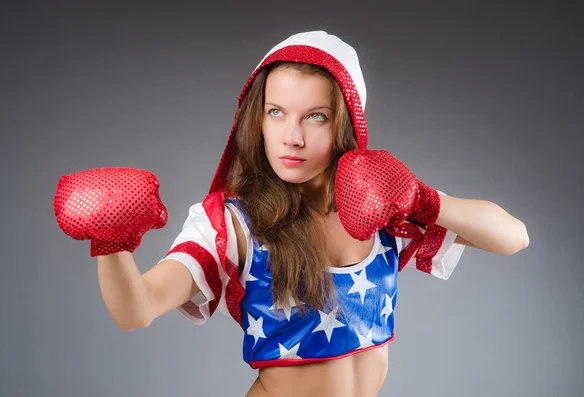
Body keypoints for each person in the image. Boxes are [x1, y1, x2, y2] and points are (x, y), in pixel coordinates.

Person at [53, 31, 529, 397]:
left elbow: (514, 237)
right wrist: (111, 245)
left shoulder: (383, 206)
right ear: (256, 118)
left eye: (315, 116)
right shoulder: (234, 223)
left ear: (346, 122)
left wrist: (426, 200)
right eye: (276, 112)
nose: (292, 136)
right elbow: (136, 310)